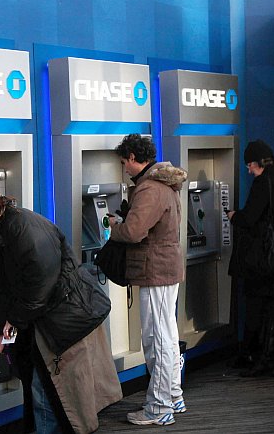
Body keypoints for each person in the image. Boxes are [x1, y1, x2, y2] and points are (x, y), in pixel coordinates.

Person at [0, 193, 122, 434]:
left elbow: (40, 288)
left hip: (63, 316)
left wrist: (14, 320)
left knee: (48, 388)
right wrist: (0, 327)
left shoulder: (23, 231)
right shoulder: (0, 232)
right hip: (48, 316)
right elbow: (6, 284)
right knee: (47, 388)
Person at [106, 134, 188, 427]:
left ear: (132, 157)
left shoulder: (149, 188)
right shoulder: (161, 184)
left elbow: (134, 232)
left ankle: (159, 406)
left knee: (158, 339)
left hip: (156, 270)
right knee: (163, 333)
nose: (123, 168)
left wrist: (113, 228)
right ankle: (173, 395)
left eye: (123, 162)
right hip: (163, 268)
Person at [227, 140, 274, 377]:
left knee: (257, 307)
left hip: (267, 259)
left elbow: (250, 218)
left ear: (259, 163)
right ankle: (265, 357)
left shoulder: (263, 183)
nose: (248, 170)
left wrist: (233, 216)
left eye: (250, 165)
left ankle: (259, 358)